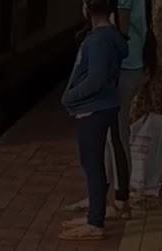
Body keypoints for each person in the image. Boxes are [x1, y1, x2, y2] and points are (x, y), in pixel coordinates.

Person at [66, 0, 155, 217]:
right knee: (108, 137)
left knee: (117, 134)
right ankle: (100, 196)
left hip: (126, 67)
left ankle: (120, 199)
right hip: (129, 64)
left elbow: (121, 32)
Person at [61, 0, 128, 240]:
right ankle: (94, 214)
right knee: (94, 165)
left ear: (88, 9)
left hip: (93, 110)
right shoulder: (110, 37)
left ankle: (95, 223)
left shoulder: (98, 40)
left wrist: (69, 97)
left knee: (92, 165)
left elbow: (95, 79)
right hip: (103, 107)